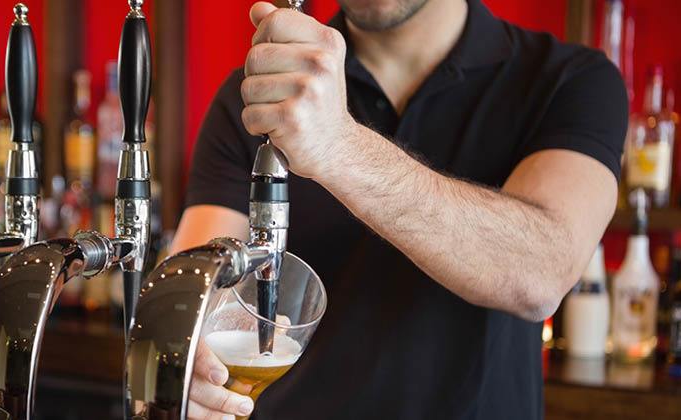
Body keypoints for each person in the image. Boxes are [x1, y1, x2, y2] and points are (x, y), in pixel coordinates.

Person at [174, 0, 627, 418]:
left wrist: (339, 145)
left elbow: (541, 270)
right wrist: (189, 351)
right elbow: (187, 295)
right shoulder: (263, 94)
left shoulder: (570, 80)